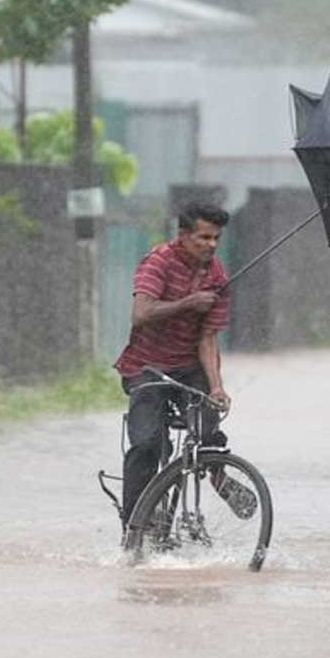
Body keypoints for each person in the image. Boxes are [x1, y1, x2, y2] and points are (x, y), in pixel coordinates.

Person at [113, 202, 250, 529]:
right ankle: (134, 527)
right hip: (147, 367)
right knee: (146, 445)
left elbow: (208, 339)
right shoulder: (158, 262)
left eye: (216, 238)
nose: (211, 244)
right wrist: (189, 303)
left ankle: (217, 474)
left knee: (209, 430)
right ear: (184, 235)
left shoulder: (217, 277)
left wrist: (217, 387)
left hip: (189, 367)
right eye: (204, 237)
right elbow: (141, 314)